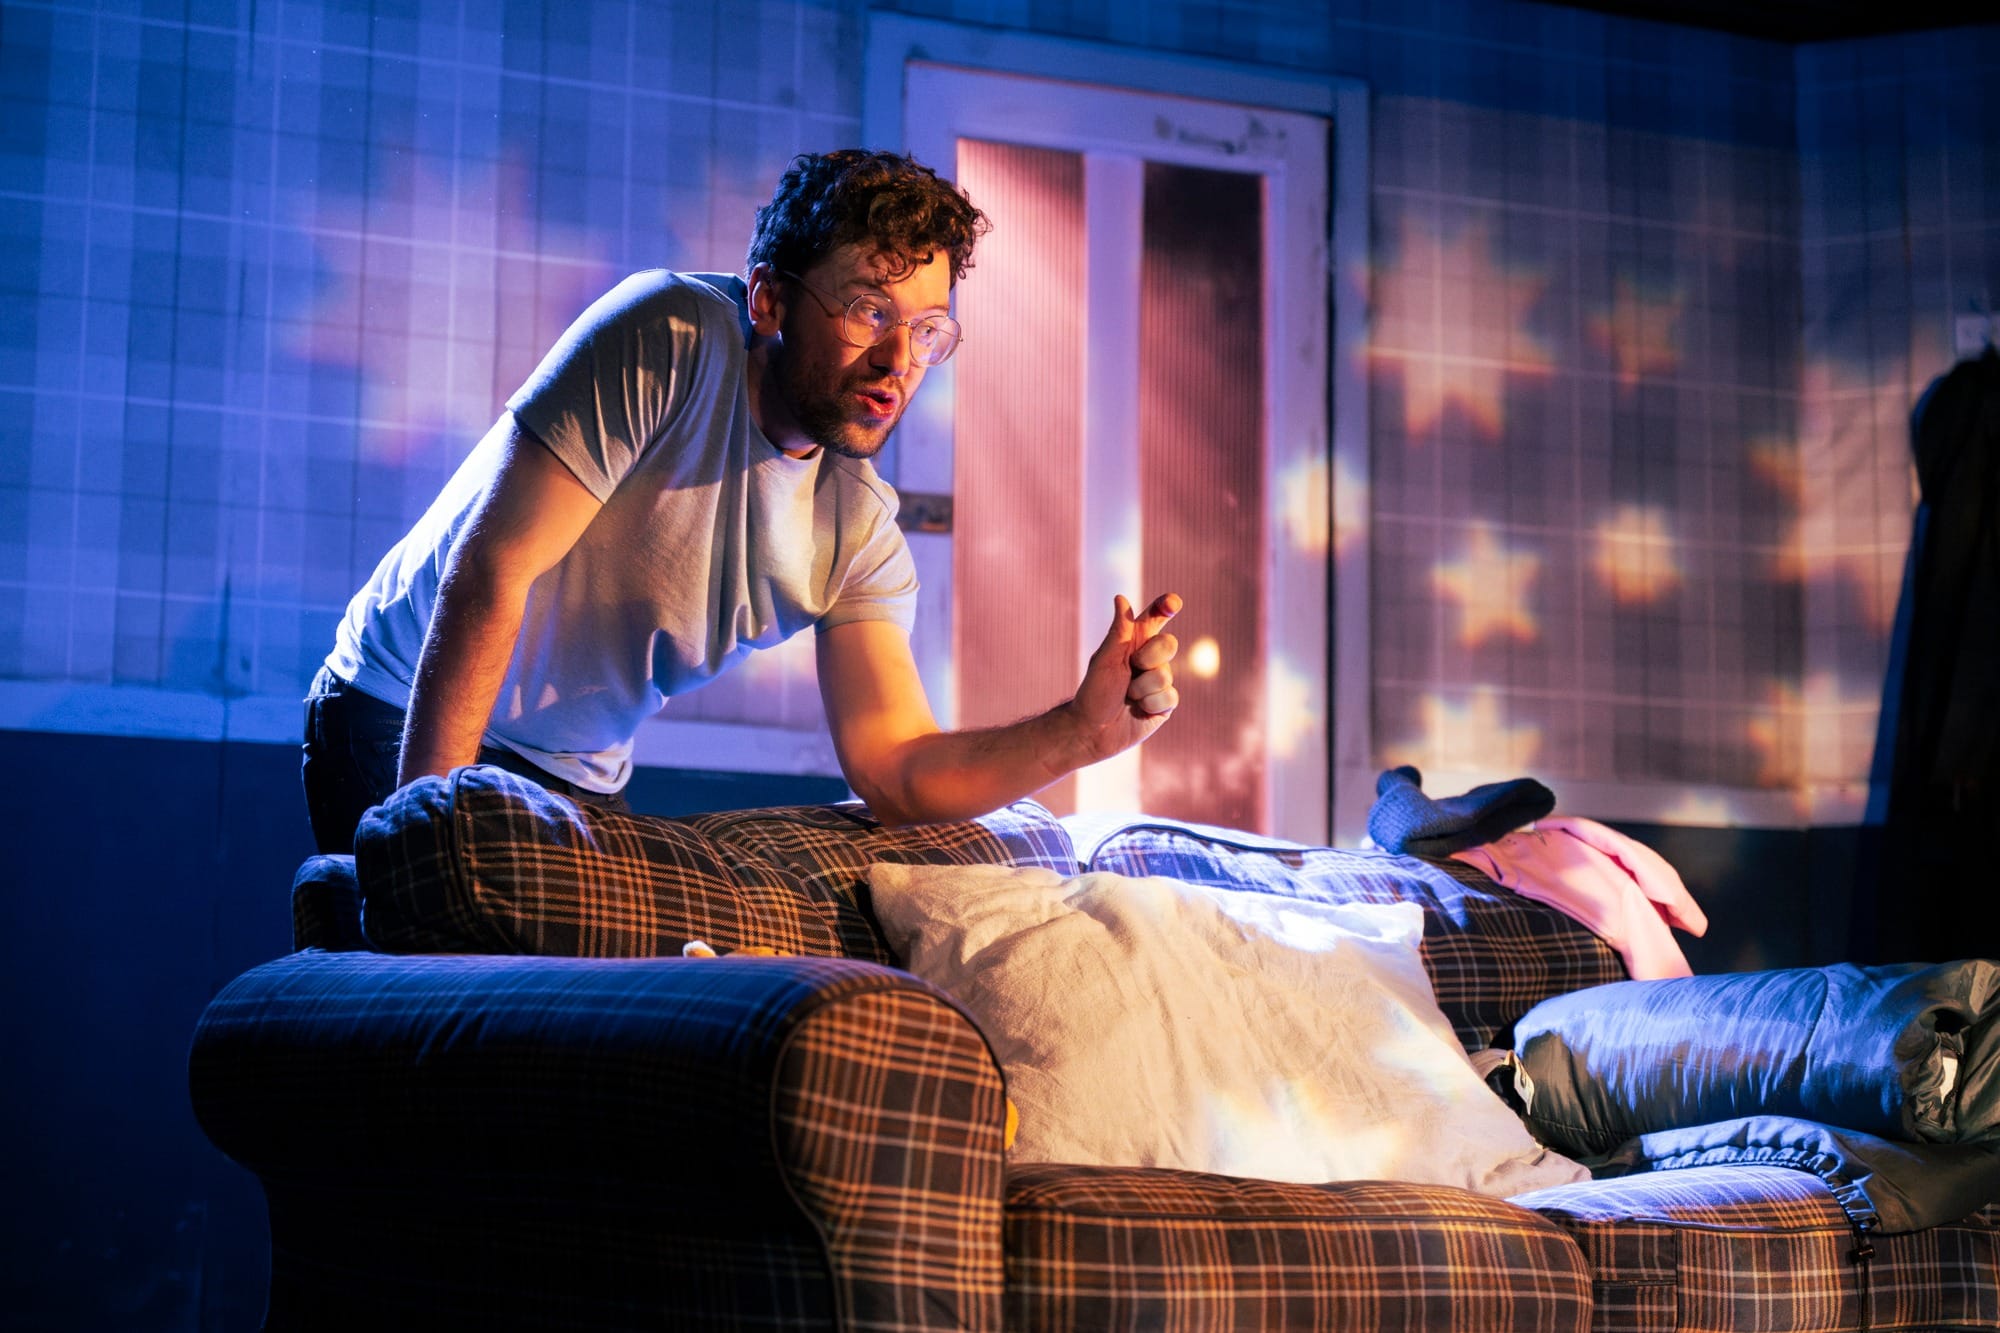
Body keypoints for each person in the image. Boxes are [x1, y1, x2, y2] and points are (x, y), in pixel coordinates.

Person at [302, 149, 1182, 854]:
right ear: (768, 299)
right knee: (416, 1004)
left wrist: (1078, 733)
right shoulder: (670, 337)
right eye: (869, 310)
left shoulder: (858, 533)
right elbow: (494, 571)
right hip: (403, 703)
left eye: (925, 330)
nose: (897, 359)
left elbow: (898, 770)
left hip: (576, 774)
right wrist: (422, 834)